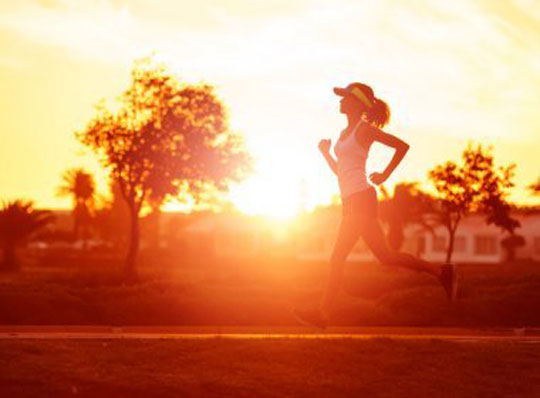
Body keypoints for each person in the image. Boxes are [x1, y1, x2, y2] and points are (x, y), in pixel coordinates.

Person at [294, 82, 458, 329]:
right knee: (386, 256)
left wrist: (385, 175)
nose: (340, 101)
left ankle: (322, 314)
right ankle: (441, 273)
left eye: (345, 97)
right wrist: (326, 153)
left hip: (361, 198)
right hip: (352, 200)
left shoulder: (364, 130)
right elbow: (341, 171)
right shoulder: (342, 135)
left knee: (337, 258)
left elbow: (401, 146)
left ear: (357, 103)